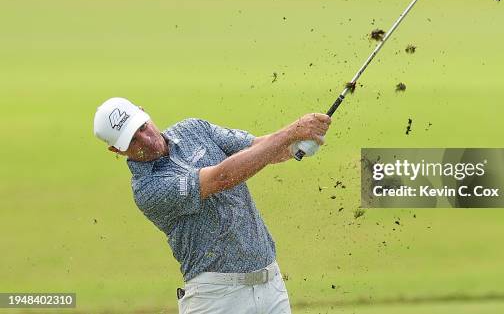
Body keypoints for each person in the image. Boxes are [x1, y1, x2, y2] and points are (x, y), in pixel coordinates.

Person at [93, 97, 331, 314]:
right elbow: (221, 178)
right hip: (216, 298)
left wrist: (295, 144)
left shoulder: (193, 129)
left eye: (142, 127)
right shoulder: (147, 189)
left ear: (144, 112)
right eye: (132, 140)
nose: (146, 140)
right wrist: (291, 132)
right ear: (117, 150)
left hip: (271, 286)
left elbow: (258, 148)